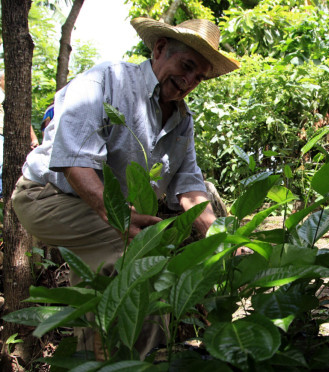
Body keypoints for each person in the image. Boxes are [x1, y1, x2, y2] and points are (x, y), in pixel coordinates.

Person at [11, 18, 239, 357]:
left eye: (199, 77)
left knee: (101, 285)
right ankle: (141, 361)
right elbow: (76, 161)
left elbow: (191, 190)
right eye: (186, 66)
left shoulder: (182, 120)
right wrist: (119, 219)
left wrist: (227, 242)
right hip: (46, 196)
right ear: (160, 49)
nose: (189, 81)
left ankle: (99, 359)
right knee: (138, 261)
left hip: (99, 209)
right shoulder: (106, 80)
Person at [0, 72, 40, 199]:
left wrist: (33, 138)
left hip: (10, 135)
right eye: (7, 79)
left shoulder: (11, 97)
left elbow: (23, 118)